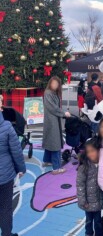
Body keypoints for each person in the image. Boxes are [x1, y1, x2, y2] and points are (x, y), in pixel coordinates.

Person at [0, 96, 26, 236]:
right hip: (5, 176)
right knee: (5, 208)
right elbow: (16, 150)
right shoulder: (7, 126)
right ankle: (6, 234)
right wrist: (21, 168)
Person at [42, 76, 71, 174]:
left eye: (56, 83)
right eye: (53, 83)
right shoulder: (48, 93)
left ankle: (47, 160)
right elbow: (53, 108)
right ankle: (56, 168)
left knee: (50, 140)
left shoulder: (53, 93)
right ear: (50, 83)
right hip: (51, 120)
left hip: (53, 120)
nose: (54, 85)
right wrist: (64, 113)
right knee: (55, 143)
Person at [77, 137, 103, 236]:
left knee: (98, 221)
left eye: (93, 151)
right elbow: (80, 185)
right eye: (88, 152)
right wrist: (83, 201)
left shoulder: (102, 164)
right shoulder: (84, 166)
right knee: (88, 221)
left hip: (98, 202)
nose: (90, 154)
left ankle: (99, 234)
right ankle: (88, 233)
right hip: (88, 202)